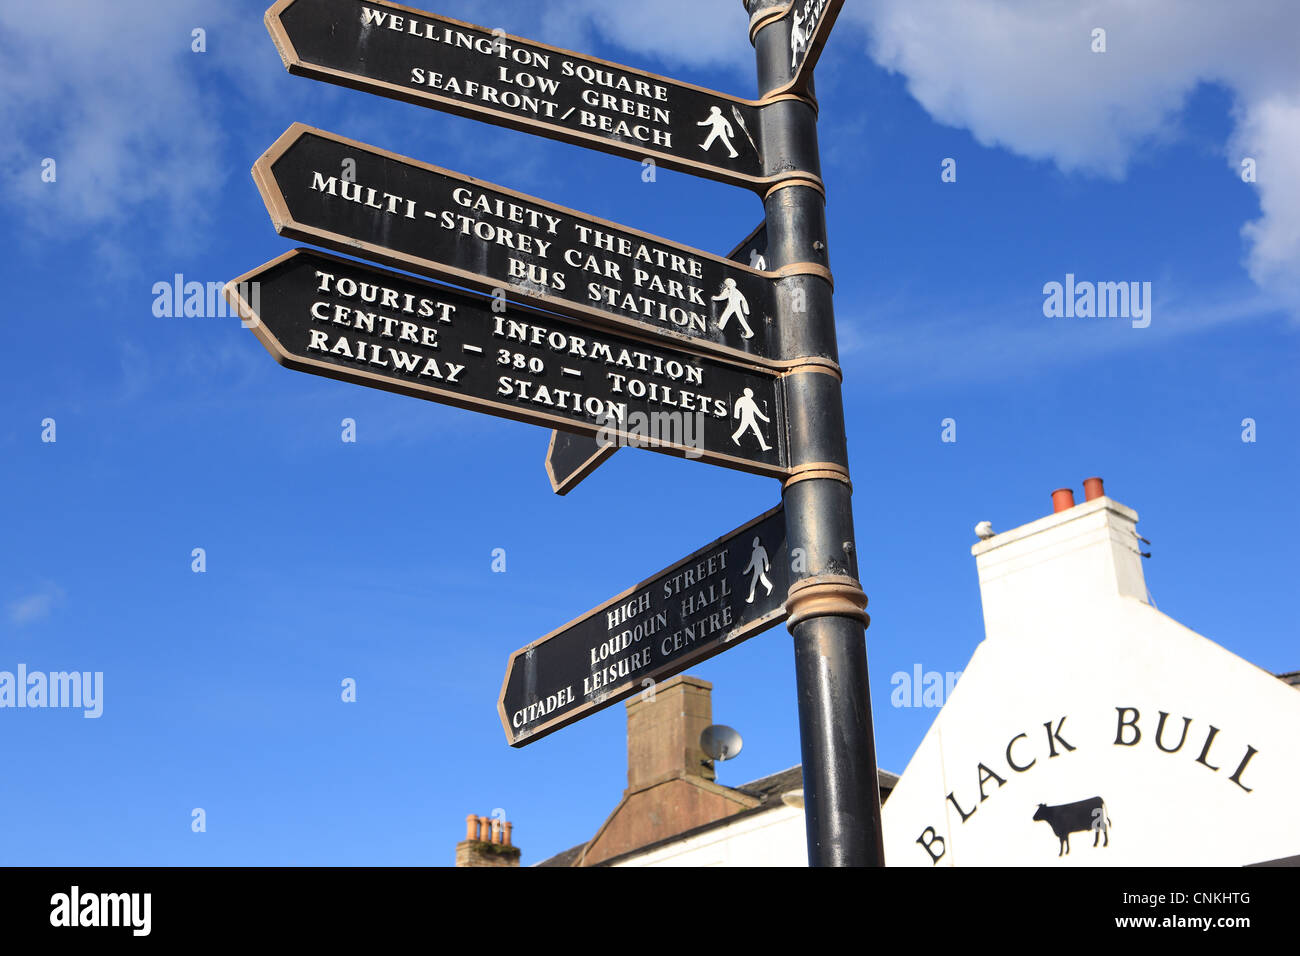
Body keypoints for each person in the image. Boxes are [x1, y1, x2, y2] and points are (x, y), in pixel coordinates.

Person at [743, 536, 773, 604]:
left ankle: (751, 597)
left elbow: (765, 557)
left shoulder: (761, 549)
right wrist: (747, 571)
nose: (753, 543)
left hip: (760, 568)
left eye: (755, 542)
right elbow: (752, 562)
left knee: (757, 581)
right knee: (759, 580)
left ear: (757, 542)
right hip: (756, 569)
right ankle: (751, 597)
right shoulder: (754, 552)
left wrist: (767, 565)